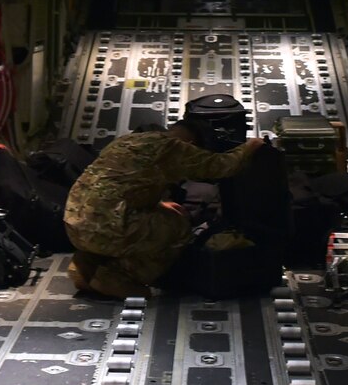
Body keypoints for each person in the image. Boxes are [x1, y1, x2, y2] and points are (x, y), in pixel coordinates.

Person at [64, 120, 265, 297]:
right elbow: (222, 166)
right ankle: (119, 276)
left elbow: (118, 185)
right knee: (177, 225)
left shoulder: (127, 141)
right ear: (191, 144)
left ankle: (84, 267)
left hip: (74, 224)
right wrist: (251, 146)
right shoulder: (173, 148)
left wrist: (158, 203)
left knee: (145, 220)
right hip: (107, 228)